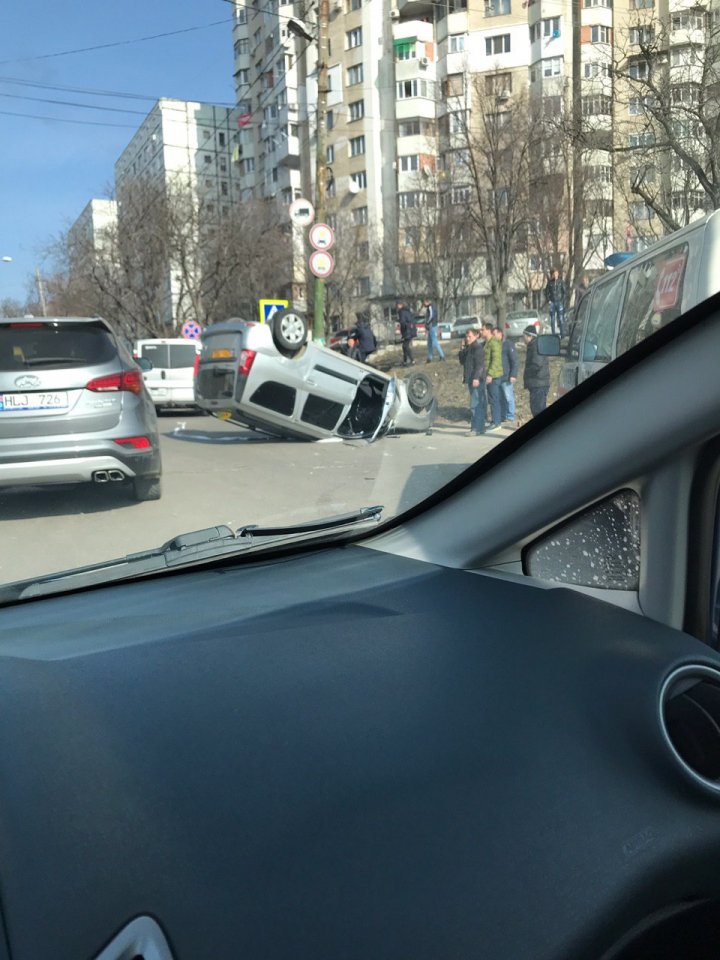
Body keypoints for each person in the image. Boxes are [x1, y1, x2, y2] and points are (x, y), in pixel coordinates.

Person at [458, 328, 486, 436]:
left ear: (476, 336)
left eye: (470, 336)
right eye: (466, 337)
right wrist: (462, 347)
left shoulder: (477, 348)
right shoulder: (469, 348)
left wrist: (476, 378)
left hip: (476, 380)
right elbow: (462, 361)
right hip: (471, 379)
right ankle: (480, 428)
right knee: (477, 403)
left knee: (476, 404)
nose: (467, 338)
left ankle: (475, 428)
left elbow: (480, 365)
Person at [522, 324, 551, 417]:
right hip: (537, 383)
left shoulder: (536, 346)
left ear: (530, 336)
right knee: (536, 409)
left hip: (539, 384)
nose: (523, 339)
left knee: (538, 410)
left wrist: (528, 374)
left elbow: (537, 364)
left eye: (524, 337)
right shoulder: (533, 345)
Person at [481, 321, 503, 433]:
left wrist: (490, 374)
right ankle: (495, 420)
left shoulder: (494, 342)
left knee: (494, 399)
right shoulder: (487, 342)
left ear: (488, 331)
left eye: (483, 329)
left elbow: (496, 360)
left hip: (494, 376)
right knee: (492, 398)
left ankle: (497, 422)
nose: (481, 331)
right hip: (489, 375)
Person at [493, 326, 518, 423]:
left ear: (500, 334)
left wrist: (513, 374)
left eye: (495, 334)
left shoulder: (508, 344)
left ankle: (510, 416)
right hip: (497, 376)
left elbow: (514, 360)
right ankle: (502, 416)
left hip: (506, 376)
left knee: (508, 397)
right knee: (500, 398)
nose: (493, 337)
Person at [545, 269, 567, 338]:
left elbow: (565, 292)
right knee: (552, 320)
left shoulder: (561, 282)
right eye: (554, 274)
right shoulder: (549, 283)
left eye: (556, 273)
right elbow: (546, 292)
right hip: (552, 303)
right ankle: (553, 334)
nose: (555, 275)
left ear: (558, 274)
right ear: (552, 275)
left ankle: (562, 334)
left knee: (561, 318)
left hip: (559, 302)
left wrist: (562, 301)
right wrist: (548, 300)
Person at [423, 297, 445, 363]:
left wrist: (427, 322)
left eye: (424, 302)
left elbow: (431, 316)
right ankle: (429, 357)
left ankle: (442, 355)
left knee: (435, 341)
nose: (423, 304)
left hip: (432, 326)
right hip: (432, 326)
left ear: (427, 301)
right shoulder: (432, 306)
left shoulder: (430, 307)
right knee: (429, 342)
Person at [397, 300, 416, 367]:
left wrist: (402, 330)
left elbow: (403, 322)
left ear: (401, 305)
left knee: (405, 346)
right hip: (410, 331)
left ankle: (412, 360)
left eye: (398, 305)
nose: (397, 306)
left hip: (407, 331)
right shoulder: (408, 311)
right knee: (404, 346)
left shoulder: (402, 312)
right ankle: (405, 361)